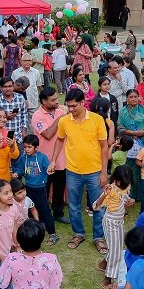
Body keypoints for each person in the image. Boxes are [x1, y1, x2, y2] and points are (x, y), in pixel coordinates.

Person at [49, 88, 109, 253]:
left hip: (95, 171)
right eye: (68, 106)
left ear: (83, 103)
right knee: (74, 206)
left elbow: (104, 147)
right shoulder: (64, 121)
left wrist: (104, 171)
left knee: (99, 205)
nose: (71, 109)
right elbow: (60, 141)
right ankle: (78, 233)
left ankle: (98, 238)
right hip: (73, 171)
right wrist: (53, 160)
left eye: (74, 106)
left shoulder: (97, 120)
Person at [31, 87, 68, 225]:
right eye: (52, 100)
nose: (56, 102)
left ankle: (58, 212)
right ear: (43, 101)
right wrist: (60, 118)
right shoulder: (37, 116)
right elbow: (47, 134)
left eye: (56, 99)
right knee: (43, 190)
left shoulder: (59, 111)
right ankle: (41, 216)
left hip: (61, 158)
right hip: (44, 159)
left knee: (59, 187)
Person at [93, 165, 133, 289]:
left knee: (118, 248)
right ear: (116, 180)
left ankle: (104, 263)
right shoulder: (111, 190)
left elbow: (125, 198)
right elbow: (95, 206)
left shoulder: (126, 186)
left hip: (119, 222)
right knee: (116, 253)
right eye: (123, 182)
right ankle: (108, 278)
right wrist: (104, 195)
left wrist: (131, 200)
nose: (126, 185)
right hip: (110, 222)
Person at [14, 134, 56, 244]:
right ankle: (29, 232)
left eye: (29, 147)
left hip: (40, 188)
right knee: (26, 210)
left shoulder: (42, 157)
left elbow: (48, 168)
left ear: (36, 147)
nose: (26, 149)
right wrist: (16, 173)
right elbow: (20, 169)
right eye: (25, 147)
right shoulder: (24, 158)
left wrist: (50, 170)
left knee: (45, 211)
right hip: (28, 188)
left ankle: (53, 234)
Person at [118, 89, 144, 203]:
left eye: (135, 96)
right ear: (127, 99)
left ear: (138, 97)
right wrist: (132, 133)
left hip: (142, 141)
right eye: (131, 97)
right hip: (128, 143)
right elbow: (120, 128)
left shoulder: (143, 109)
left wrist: (143, 132)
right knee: (129, 168)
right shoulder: (123, 111)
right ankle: (128, 194)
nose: (133, 99)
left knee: (141, 168)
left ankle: (140, 195)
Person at [0, 77, 28, 146]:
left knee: (18, 156)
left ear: (13, 86)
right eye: (5, 87)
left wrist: (24, 131)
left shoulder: (20, 98)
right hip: (2, 139)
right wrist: (5, 117)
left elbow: (24, 115)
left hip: (18, 138)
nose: (8, 89)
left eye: (10, 86)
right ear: (1, 88)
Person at [12, 53, 43, 125]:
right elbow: (13, 88)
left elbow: (39, 86)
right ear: (21, 62)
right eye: (25, 60)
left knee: (33, 123)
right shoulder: (15, 73)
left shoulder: (36, 72)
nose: (27, 62)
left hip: (33, 102)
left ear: (32, 62)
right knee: (19, 122)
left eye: (29, 60)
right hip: (19, 103)